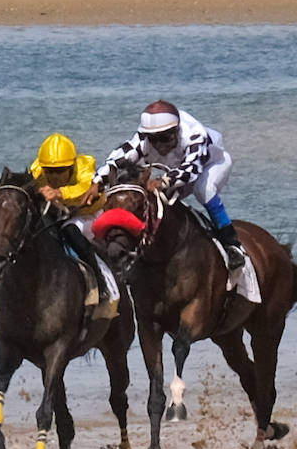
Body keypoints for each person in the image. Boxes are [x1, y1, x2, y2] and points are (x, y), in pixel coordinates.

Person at [86, 100, 247, 270]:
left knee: (203, 190)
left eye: (164, 138)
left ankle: (231, 243)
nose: (159, 145)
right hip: (175, 170)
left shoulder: (195, 135)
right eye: (153, 140)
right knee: (157, 201)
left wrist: (164, 181)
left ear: (176, 131)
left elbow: (191, 169)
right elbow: (116, 160)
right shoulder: (143, 139)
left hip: (211, 165)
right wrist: (97, 181)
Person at [27, 133, 112, 300]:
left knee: (71, 229)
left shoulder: (85, 168)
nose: (54, 177)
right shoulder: (37, 171)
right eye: (50, 171)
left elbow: (86, 187)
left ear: (72, 167)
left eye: (60, 171)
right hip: (60, 216)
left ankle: (100, 283)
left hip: (89, 215)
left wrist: (60, 192)